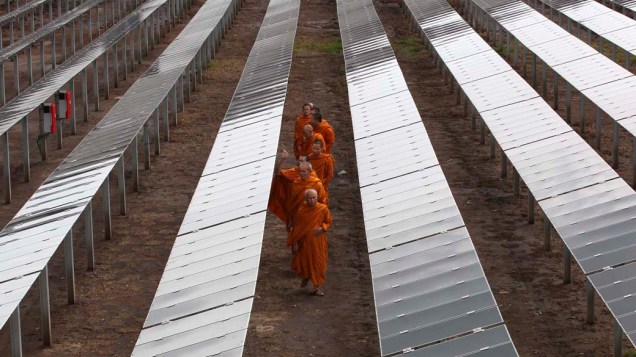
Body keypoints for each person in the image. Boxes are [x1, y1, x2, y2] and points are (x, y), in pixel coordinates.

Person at [289, 189, 332, 296]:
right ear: (306, 199)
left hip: (319, 241)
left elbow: (328, 220)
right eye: (310, 198)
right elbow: (297, 227)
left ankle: (316, 287)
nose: (312, 200)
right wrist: (295, 242)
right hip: (305, 242)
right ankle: (306, 276)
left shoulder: (322, 208)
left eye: (314, 198)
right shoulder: (302, 210)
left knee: (319, 263)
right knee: (306, 261)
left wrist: (323, 228)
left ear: (317, 198)